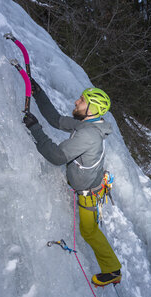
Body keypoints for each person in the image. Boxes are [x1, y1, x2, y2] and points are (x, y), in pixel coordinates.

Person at [23, 78, 122, 286]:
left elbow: (57, 157)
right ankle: (113, 268)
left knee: (89, 231)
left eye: (82, 101)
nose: (77, 102)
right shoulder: (86, 124)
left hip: (88, 193)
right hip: (90, 185)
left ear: (93, 109)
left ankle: (112, 270)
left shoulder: (89, 135)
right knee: (91, 230)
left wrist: (35, 130)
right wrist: (39, 93)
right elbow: (56, 120)